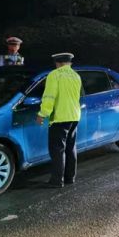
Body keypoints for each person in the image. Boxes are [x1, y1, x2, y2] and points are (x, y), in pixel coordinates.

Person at [36, 53, 82, 188]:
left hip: (60, 117)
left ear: (58, 63)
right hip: (74, 116)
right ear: (69, 63)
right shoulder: (76, 76)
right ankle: (69, 178)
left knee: (57, 150)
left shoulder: (54, 75)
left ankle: (56, 181)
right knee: (71, 148)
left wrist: (42, 114)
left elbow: (49, 97)